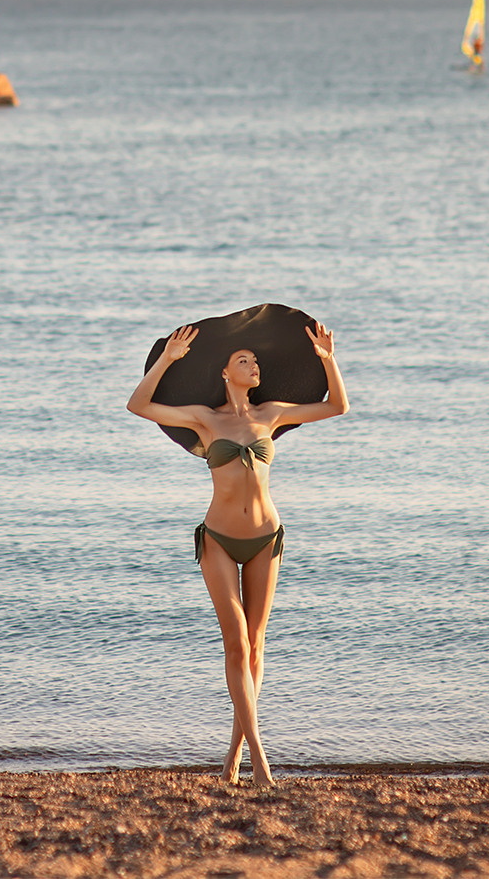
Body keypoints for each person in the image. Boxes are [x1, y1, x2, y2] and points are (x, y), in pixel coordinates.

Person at [126, 321, 349, 786]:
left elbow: (336, 406)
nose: (254, 365)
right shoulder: (206, 419)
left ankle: (232, 759)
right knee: (236, 643)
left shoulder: (271, 413)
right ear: (226, 373)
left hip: (267, 537)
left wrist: (328, 358)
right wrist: (168, 358)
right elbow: (139, 405)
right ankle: (261, 763)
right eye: (243, 360)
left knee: (256, 647)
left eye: (255, 360)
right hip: (219, 540)